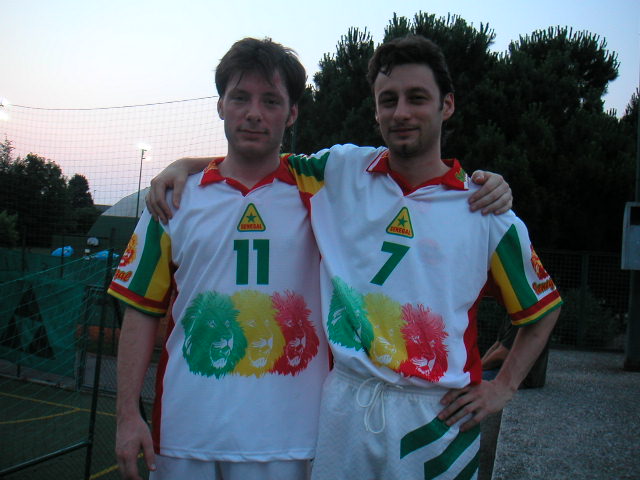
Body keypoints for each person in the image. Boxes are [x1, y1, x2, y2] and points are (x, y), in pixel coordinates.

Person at [137, 37, 515, 480]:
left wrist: (503, 387)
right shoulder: (338, 173)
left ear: (446, 105)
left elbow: (541, 310)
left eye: (417, 98)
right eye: (388, 100)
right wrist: (185, 164)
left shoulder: (471, 207)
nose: (401, 112)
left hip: (385, 421)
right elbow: (254, 158)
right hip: (299, 417)